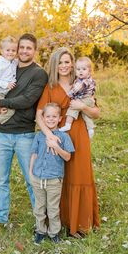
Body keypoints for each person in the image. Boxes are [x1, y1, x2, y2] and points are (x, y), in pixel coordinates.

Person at [0, 33, 48, 228]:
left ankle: (41, 221)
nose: (24, 51)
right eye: (21, 47)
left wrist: (1, 102)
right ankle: (0, 219)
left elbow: (27, 100)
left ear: (34, 50)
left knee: (32, 180)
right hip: (2, 135)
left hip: (24, 135)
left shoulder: (38, 74)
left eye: (29, 48)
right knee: (1, 180)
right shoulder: (8, 66)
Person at [36, 47, 100, 237]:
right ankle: (60, 220)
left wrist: (82, 106)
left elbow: (96, 112)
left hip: (78, 132)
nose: (64, 66)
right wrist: (49, 135)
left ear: (72, 63)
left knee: (79, 174)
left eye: (67, 61)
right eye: (60, 62)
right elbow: (39, 115)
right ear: (55, 65)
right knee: (58, 177)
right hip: (57, 136)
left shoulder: (82, 81)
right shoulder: (50, 87)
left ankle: (79, 223)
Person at [29, 103, 74, 244]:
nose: (51, 119)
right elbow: (34, 154)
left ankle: (54, 233)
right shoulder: (39, 136)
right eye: (47, 116)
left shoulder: (64, 137)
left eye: (54, 116)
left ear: (60, 118)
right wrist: (31, 172)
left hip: (54, 179)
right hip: (37, 177)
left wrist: (56, 146)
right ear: (43, 118)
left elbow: (67, 157)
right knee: (39, 207)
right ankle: (40, 231)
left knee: (53, 209)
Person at [59, 56, 96, 138]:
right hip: (89, 99)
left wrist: (69, 94)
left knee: (73, 107)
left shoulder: (83, 82)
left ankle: (68, 124)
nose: (81, 71)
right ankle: (90, 128)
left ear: (89, 71)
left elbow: (75, 90)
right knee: (85, 114)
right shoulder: (89, 79)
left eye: (83, 69)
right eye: (78, 69)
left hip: (84, 99)